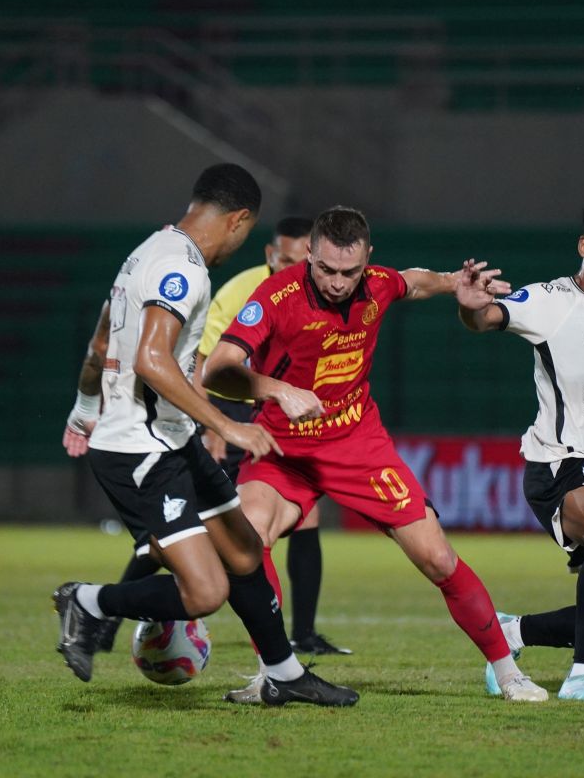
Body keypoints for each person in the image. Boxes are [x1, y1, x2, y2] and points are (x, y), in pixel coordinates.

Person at [203, 205, 548, 703]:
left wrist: (455, 283)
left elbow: (413, 281)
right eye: (326, 270)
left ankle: (508, 672)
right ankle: (275, 674)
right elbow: (218, 368)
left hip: (357, 445)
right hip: (285, 447)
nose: (339, 283)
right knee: (247, 544)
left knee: (437, 558)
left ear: (367, 260)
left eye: (350, 271)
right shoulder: (275, 296)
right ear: (308, 255)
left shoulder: (376, 283)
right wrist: (276, 388)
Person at [54, 163, 357, 707]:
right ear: (240, 221)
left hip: (169, 438)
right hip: (141, 450)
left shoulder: (146, 252)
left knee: (242, 551)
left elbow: (103, 342)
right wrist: (226, 424)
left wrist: (82, 406)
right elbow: (151, 359)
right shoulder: (185, 268)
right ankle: (89, 601)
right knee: (207, 590)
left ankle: (284, 674)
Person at [99, 217, 353, 657]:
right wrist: (210, 427)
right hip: (227, 411)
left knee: (304, 519)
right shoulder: (242, 291)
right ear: (271, 255)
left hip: (272, 414)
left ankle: (303, 636)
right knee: (171, 537)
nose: (296, 267)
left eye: (302, 261)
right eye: (288, 259)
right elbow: (200, 363)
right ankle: (105, 620)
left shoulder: (319, 295)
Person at [456, 187, 584, 703]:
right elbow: (487, 319)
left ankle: (512, 632)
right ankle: (583, 677)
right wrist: (468, 307)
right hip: (557, 463)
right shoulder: (551, 301)